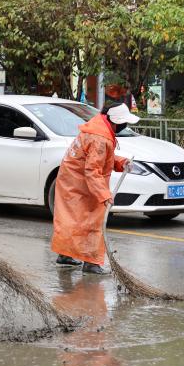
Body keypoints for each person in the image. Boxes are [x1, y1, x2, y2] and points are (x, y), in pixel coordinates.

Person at [51, 103, 139, 275]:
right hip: (81, 183)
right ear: (116, 121)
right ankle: (91, 263)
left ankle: (65, 256)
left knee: (70, 220)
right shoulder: (100, 137)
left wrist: (121, 162)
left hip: (72, 181)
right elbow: (93, 169)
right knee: (93, 222)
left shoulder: (98, 128)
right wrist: (104, 195)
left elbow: (100, 157)